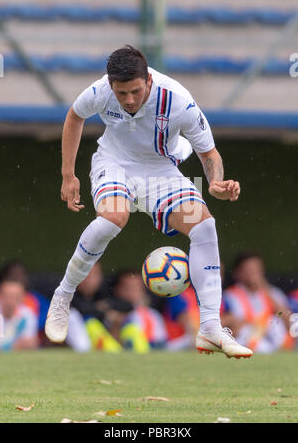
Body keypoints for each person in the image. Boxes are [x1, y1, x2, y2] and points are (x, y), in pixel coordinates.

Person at [45, 45, 252, 359]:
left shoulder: (178, 100)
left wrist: (215, 183)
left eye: (135, 91)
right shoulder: (101, 90)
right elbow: (74, 117)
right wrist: (68, 175)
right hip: (113, 162)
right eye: (122, 93)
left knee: (205, 226)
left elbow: (209, 153)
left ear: (149, 82)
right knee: (114, 218)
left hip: (160, 171)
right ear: (111, 85)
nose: (128, 99)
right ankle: (63, 296)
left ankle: (210, 327)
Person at [222, 252, 293, 353]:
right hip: (245, 339)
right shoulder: (229, 296)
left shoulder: (273, 292)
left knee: (273, 322)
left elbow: (288, 321)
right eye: (248, 270)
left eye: (256, 270)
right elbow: (225, 324)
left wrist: (265, 289)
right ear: (237, 273)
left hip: (272, 338)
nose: (253, 274)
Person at [112, 269, 168, 349]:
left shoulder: (153, 314)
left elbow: (161, 343)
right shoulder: (111, 312)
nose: (134, 291)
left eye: (138, 287)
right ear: (118, 290)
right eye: (129, 288)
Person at [0, 279, 39, 351]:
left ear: (22, 298)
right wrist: (11, 346)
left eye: (16, 297)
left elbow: (29, 342)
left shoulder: (27, 315)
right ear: (0, 296)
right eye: (7, 296)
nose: (10, 302)